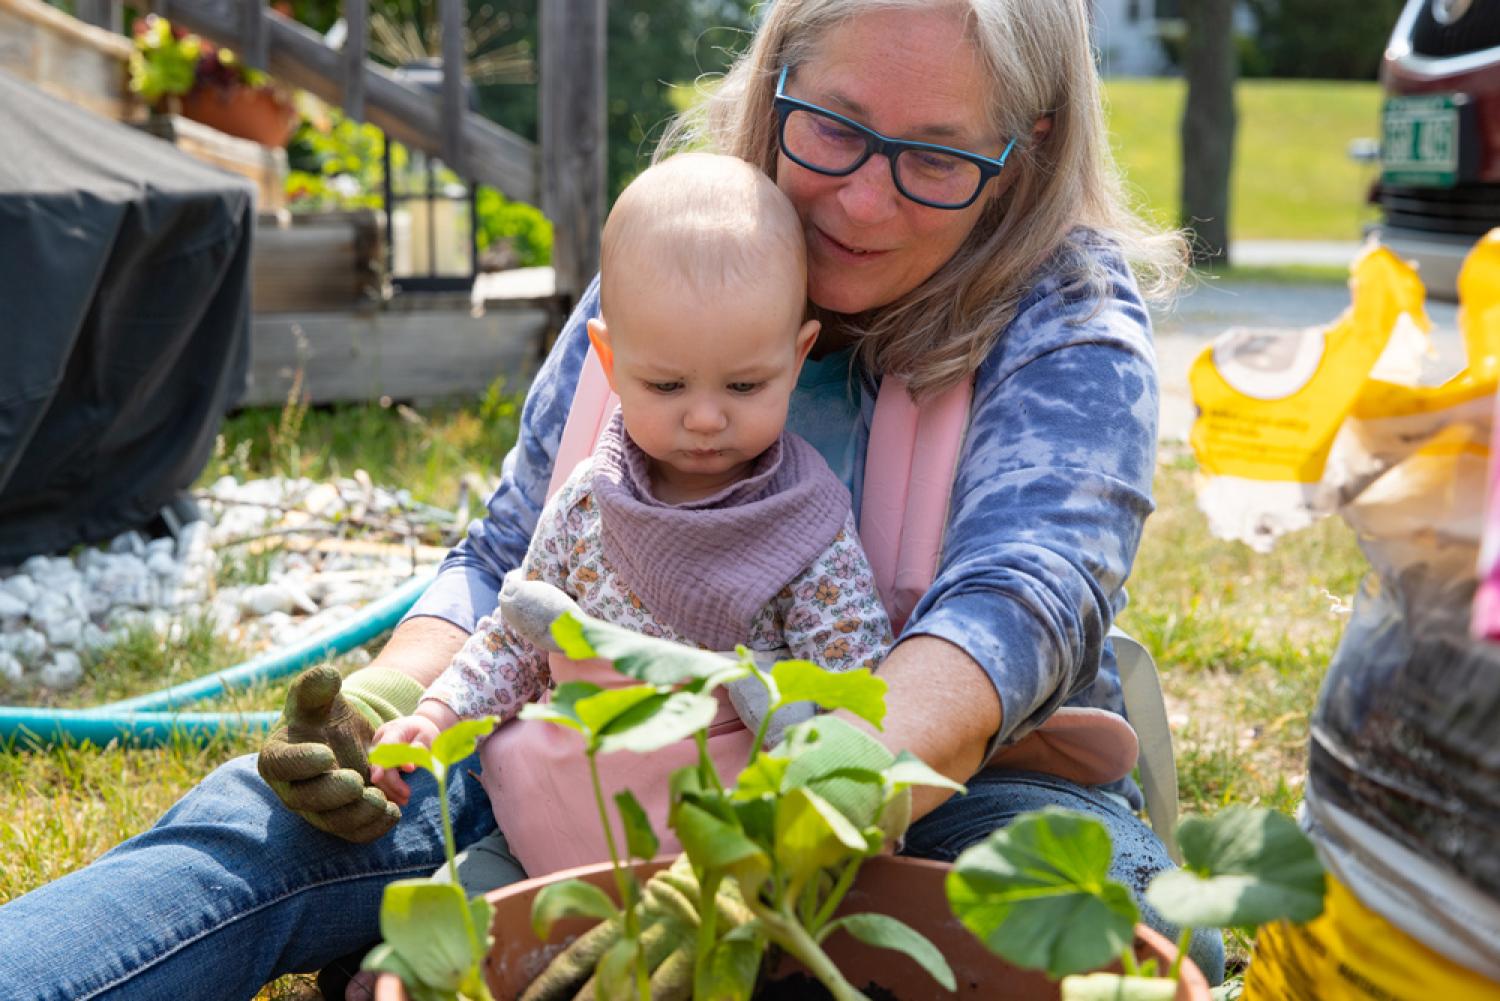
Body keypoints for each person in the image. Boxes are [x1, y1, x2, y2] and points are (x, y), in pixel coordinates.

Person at [0, 1, 1226, 998]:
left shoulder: (1065, 315)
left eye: (937, 157)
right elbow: (501, 554)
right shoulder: (685, 243)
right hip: (576, 754)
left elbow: (1013, 607)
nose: (861, 199)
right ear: (773, 84)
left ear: (1027, 148)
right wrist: (398, 701)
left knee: (1112, 925)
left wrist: (774, 839)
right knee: (250, 839)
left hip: (932, 786)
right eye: (835, 130)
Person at [367, 151, 893, 878]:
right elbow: (517, 639)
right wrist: (438, 712)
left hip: (726, 854)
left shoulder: (805, 528)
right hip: (560, 821)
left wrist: (852, 794)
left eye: (744, 384)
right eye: (667, 383)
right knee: (457, 920)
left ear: (797, 357)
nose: (705, 417)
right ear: (610, 364)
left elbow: (851, 684)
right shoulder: (588, 504)